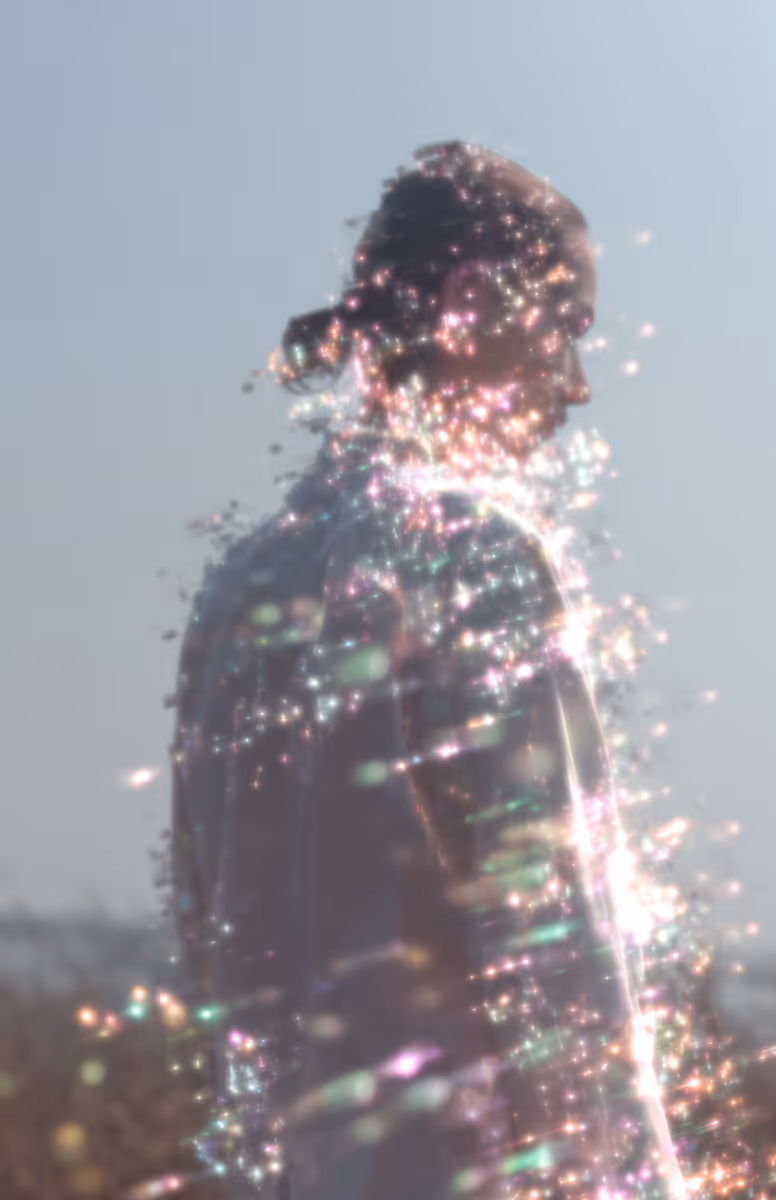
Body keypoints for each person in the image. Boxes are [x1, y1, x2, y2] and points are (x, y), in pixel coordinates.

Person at [171, 142, 683, 1200]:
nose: (578, 386)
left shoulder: (238, 589)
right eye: (567, 327)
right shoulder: (479, 552)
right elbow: (564, 967)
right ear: (467, 300)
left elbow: (206, 934)